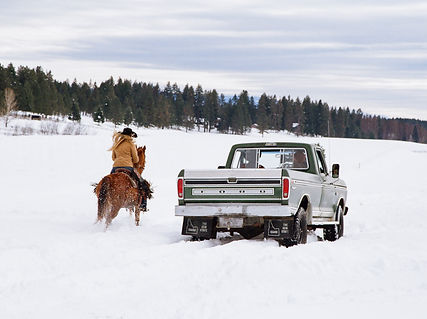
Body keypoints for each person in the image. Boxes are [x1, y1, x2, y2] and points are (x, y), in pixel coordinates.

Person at [109, 127, 147, 211]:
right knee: (142, 184)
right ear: (130, 135)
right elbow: (136, 159)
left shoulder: (116, 143)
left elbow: (113, 157)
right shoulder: (130, 144)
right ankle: (143, 205)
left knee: (109, 181)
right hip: (128, 167)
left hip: (115, 167)